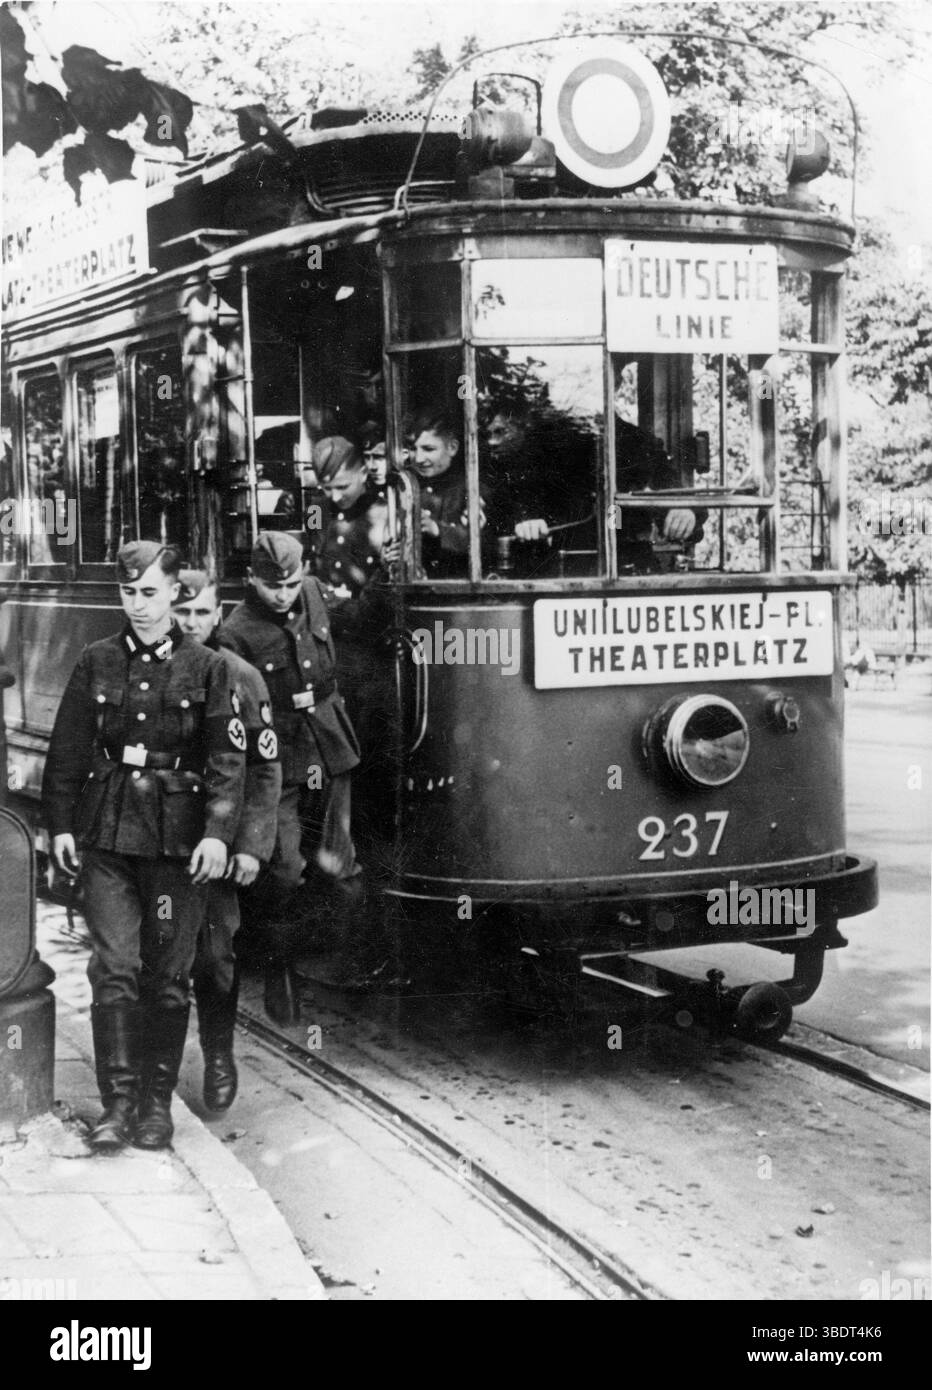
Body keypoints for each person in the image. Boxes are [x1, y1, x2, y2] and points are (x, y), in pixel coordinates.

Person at [42, 542, 247, 1152]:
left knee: (166, 976)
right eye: (128, 593)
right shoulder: (96, 661)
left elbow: (228, 761)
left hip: (176, 847)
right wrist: (59, 825)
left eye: (150, 593)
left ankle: (157, 1106)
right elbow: (68, 751)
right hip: (107, 835)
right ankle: (118, 1103)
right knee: (115, 969)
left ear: (173, 592)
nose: (138, 605)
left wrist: (216, 832)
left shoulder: (208, 668)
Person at [218, 532, 362, 1026]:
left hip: (328, 741)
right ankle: (280, 967)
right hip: (275, 755)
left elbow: (357, 619)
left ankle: (342, 966)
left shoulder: (317, 593)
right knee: (281, 870)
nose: (283, 595)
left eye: (292, 584)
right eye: (272, 586)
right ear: (251, 580)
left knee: (339, 863)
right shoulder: (234, 633)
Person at [172, 570, 282, 1112]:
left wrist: (250, 845)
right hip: (153, 840)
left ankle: (219, 1056)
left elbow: (263, 768)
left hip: (213, 845)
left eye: (201, 613)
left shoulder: (241, 677)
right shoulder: (149, 670)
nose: (191, 624)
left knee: (215, 958)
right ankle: (154, 1073)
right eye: (182, 612)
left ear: (218, 616)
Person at [408, 408, 480, 578]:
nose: (418, 458)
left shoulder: (471, 489)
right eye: (413, 448)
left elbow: (482, 543)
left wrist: (437, 530)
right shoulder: (408, 487)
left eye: (428, 449)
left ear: (452, 448)